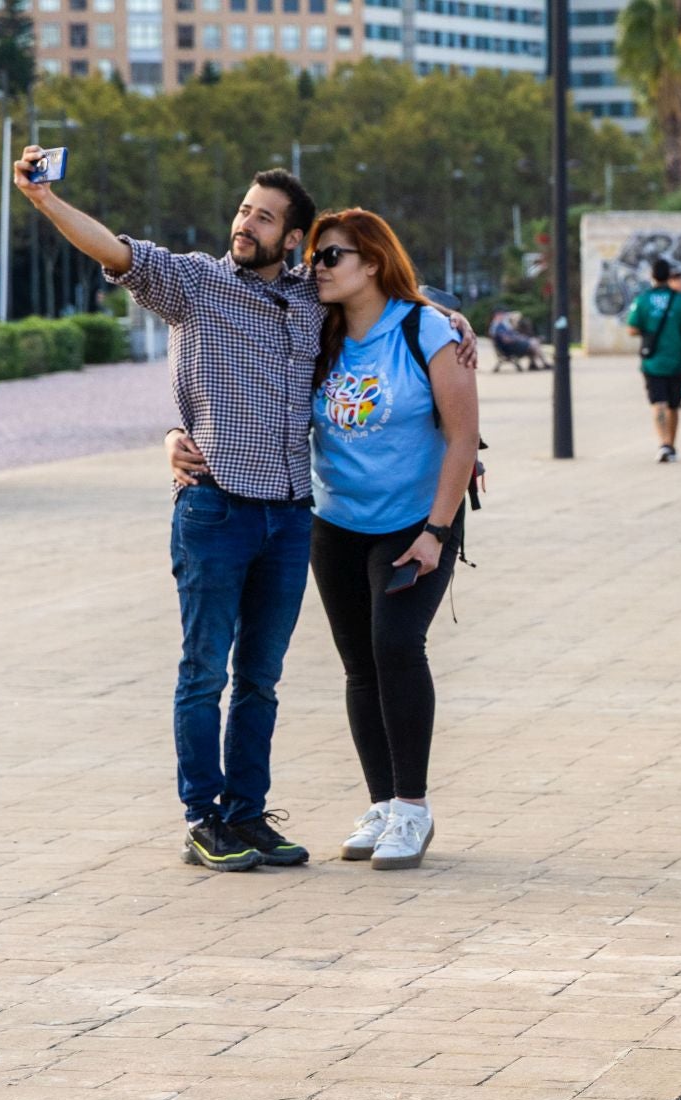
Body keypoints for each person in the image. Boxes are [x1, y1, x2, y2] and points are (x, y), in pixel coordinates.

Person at [12, 144, 474, 874]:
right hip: (220, 512)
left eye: (265, 217)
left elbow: (388, 305)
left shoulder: (306, 299)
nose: (246, 223)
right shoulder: (193, 283)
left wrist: (444, 315)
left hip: (293, 518)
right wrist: (44, 201)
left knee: (263, 677)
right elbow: (117, 250)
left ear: (293, 239)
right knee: (205, 672)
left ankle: (250, 815)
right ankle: (205, 818)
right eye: (242, 211)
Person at [302, 210, 479, 871]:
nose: (316, 267)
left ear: (371, 263)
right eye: (313, 257)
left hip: (417, 518)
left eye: (331, 256)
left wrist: (437, 531)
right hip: (338, 520)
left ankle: (412, 806)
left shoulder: (425, 328)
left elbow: (462, 437)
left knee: (396, 645)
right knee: (359, 663)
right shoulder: (314, 331)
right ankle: (380, 804)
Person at [626, 258, 681, 463]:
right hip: (676, 361)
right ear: (669, 276)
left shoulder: (642, 300)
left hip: (652, 361)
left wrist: (649, 330)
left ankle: (663, 443)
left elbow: (631, 329)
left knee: (658, 403)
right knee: (674, 404)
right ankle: (671, 445)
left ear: (652, 276)